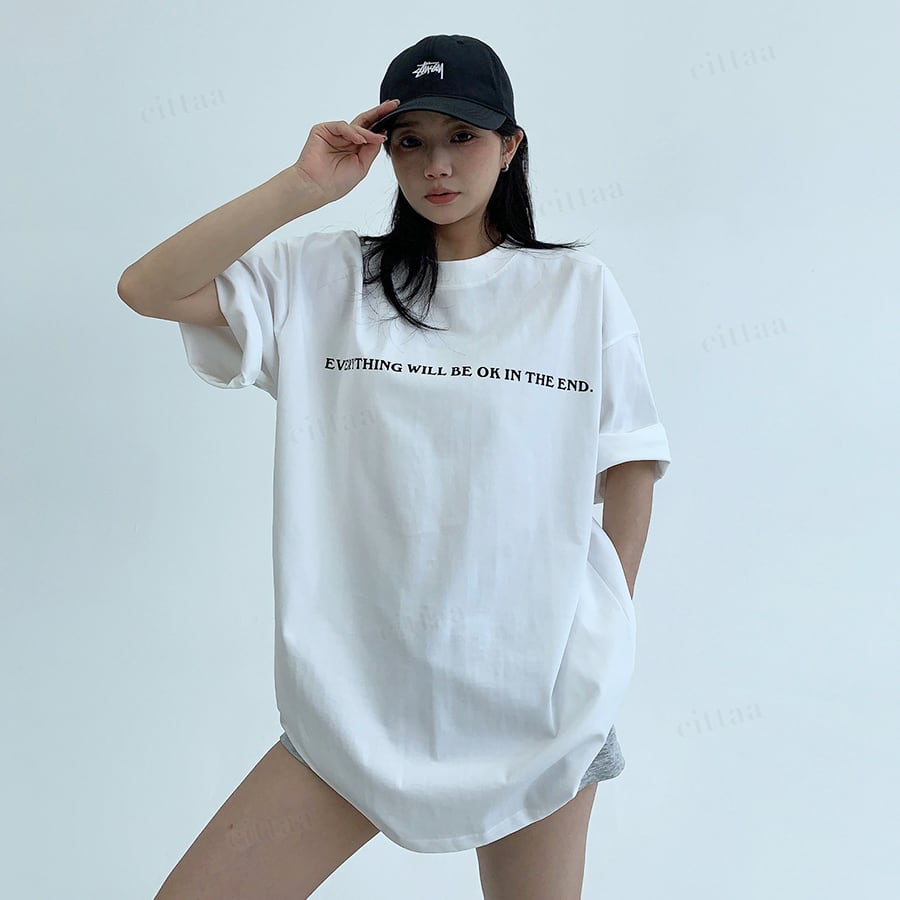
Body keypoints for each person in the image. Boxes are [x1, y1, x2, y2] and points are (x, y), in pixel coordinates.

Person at [119, 33, 671, 900]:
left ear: (511, 147)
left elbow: (630, 462)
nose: (436, 165)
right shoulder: (325, 280)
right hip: (354, 705)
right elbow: (148, 288)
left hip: (539, 701)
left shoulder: (577, 292)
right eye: (410, 141)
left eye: (463, 137)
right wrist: (301, 187)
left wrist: (602, 628)